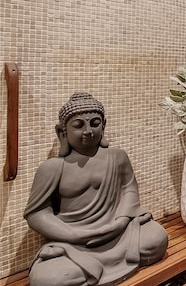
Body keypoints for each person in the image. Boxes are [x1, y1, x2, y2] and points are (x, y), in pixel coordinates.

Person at [24, 92, 168, 286]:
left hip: (118, 233)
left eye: (94, 123)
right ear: (62, 132)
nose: (88, 131)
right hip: (74, 243)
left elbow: (129, 190)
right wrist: (73, 234)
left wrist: (121, 220)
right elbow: (37, 213)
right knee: (48, 279)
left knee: (156, 238)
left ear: (104, 125)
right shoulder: (53, 167)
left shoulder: (117, 157)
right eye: (78, 125)